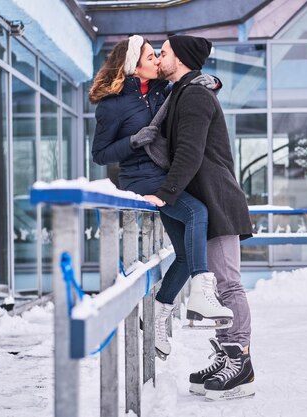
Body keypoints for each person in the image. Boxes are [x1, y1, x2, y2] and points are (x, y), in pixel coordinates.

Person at [89, 35, 233, 359]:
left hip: (163, 180)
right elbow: (99, 153)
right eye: (150, 56)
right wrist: (133, 141)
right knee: (197, 213)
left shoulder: (159, 91)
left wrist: (209, 81)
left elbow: (185, 88)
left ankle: (156, 315)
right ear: (134, 65)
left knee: (182, 255)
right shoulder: (113, 104)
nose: (157, 60)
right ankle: (200, 288)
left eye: (157, 55)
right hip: (140, 181)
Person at [148, 34, 255, 401]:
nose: (159, 57)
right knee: (214, 285)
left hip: (219, 201)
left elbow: (190, 154)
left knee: (227, 285)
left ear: (179, 58)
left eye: (163, 52)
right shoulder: (180, 92)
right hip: (204, 201)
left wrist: (164, 194)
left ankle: (239, 362)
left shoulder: (194, 95)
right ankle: (226, 353)